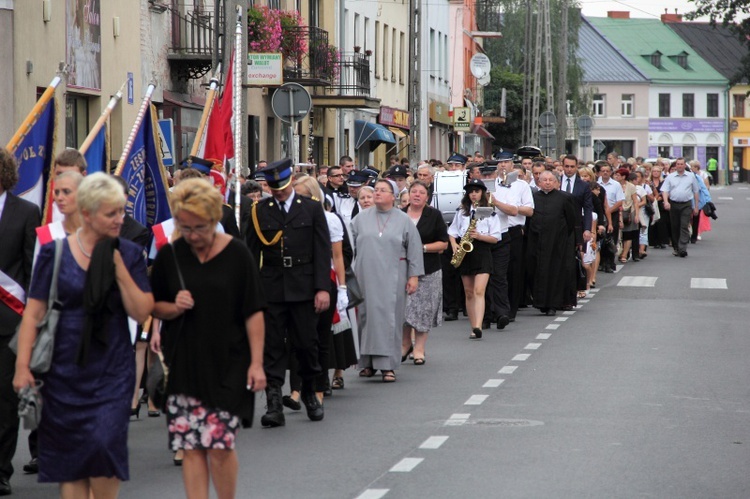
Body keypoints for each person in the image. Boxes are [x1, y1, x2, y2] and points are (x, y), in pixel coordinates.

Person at [13, 173, 153, 498]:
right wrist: (22, 367)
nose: (120, 219)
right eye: (111, 213)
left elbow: (142, 311)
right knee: (71, 461)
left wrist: (118, 268)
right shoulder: (55, 253)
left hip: (112, 371)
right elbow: (33, 313)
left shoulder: (129, 253)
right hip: (63, 372)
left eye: (121, 211)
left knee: (104, 447)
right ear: (88, 214)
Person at [150, 178, 266, 499]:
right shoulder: (171, 256)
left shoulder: (237, 255)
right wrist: (174, 307)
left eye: (199, 227)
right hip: (184, 363)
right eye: (185, 228)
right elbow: (154, 306)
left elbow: (254, 311)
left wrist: (257, 364)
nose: (193, 235)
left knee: (218, 444)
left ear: (215, 219)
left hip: (230, 363)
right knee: (190, 446)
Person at [246, 159, 331, 427]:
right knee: (271, 346)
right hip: (270, 287)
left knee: (306, 343)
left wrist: (322, 288)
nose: (278, 192)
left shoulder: (312, 209)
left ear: (292, 181)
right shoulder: (259, 210)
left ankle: (308, 392)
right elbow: (250, 253)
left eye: (282, 187)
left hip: (304, 286)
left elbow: (322, 251)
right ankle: (273, 402)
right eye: (274, 189)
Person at [283, 176, 348, 408]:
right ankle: (295, 391)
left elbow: (337, 256)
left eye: (302, 194)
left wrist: (341, 288)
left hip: (324, 279)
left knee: (319, 338)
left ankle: (318, 389)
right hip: (296, 281)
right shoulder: (286, 217)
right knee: (296, 337)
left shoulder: (329, 218)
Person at [351, 179, 423, 382]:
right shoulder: (360, 219)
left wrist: (414, 276)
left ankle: (388, 366)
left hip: (394, 276)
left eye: (383, 190)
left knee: (390, 320)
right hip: (364, 275)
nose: (377, 193)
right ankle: (366, 363)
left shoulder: (403, 220)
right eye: (376, 190)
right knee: (366, 318)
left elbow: (414, 249)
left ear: (393, 196)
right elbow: (348, 247)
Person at [0, 148, 41, 495]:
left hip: (8, 322)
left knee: (4, 401)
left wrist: (29, 320)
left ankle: (1, 469)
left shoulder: (26, 212)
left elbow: (31, 271)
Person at [448, 179, 503, 339]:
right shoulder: (461, 212)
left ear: (482, 193)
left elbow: (496, 238)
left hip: (482, 251)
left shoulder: (490, 213)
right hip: (465, 251)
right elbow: (452, 232)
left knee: (479, 290)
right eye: (471, 192)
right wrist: (454, 244)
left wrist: (479, 236)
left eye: (477, 191)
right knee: (469, 292)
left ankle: (479, 325)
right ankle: (473, 326)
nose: (474, 194)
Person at [401, 181, 449, 365]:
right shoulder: (399, 214)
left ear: (427, 197)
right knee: (405, 309)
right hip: (403, 269)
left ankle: (419, 348)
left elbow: (443, 244)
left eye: (421, 192)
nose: (417, 195)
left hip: (429, 269)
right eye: (414, 192)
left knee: (423, 310)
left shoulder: (434, 215)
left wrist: (421, 248)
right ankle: (405, 344)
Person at [527, 171, 577, 316]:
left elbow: (571, 220)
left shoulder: (564, 198)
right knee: (536, 269)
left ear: (556, 182)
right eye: (544, 180)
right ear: (539, 182)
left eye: (550, 180)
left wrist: (561, 235)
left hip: (556, 241)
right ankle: (539, 302)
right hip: (536, 241)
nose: (547, 182)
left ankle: (553, 304)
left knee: (555, 271)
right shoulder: (533, 197)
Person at [661, 158, 700, 258]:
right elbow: (665, 190)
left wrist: (696, 207)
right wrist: (666, 202)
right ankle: (676, 247)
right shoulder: (670, 177)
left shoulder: (691, 176)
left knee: (684, 225)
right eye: (678, 164)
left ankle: (682, 248)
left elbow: (696, 191)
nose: (679, 166)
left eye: (681, 164)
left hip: (686, 204)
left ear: (684, 165)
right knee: (675, 227)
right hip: (674, 204)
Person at [597, 163, 624, 273]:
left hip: (613, 213)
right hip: (599, 213)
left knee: (611, 238)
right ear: (599, 172)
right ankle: (601, 262)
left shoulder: (616, 185)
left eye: (607, 171)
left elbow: (620, 201)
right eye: (603, 170)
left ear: (611, 172)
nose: (605, 172)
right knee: (601, 238)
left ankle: (610, 262)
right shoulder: (596, 184)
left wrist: (609, 210)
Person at [615, 168, 640, 263]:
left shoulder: (631, 186)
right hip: (618, 211)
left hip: (629, 211)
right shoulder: (615, 185)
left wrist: (637, 215)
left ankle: (624, 254)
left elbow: (635, 201)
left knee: (628, 234)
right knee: (619, 233)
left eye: (618, 175)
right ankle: (619, 250)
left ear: (623, 177)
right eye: (615, 175)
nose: (616, 177)